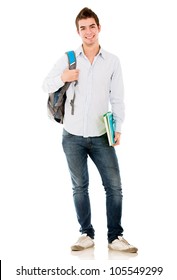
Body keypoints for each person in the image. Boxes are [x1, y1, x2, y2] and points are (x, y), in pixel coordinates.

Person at [42, 7, 138, 253]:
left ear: (99, 28)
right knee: (79, 186)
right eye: (83, 28)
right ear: (78, 31)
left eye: (92, 26)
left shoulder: (112, 61)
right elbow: (46, 84)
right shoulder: (69, 58)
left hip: (101, 135)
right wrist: (63, 76)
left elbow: (117, 98)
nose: (88, 32)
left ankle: (115, 237)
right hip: (72, 136)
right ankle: (86, 234)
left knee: (114, 186)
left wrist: (117, 127)